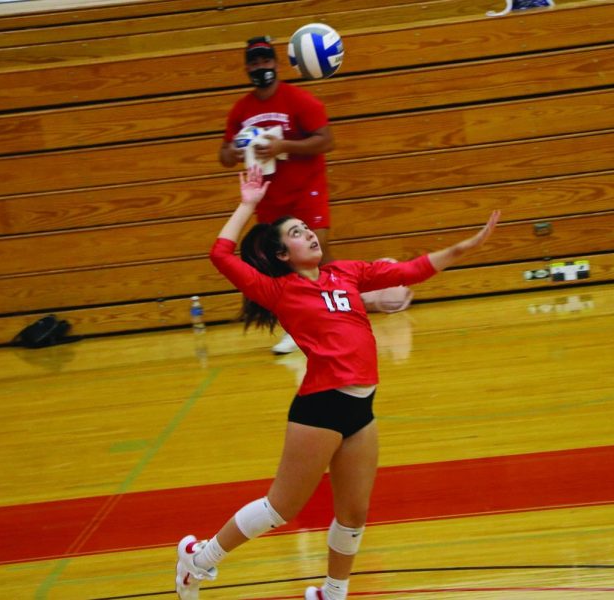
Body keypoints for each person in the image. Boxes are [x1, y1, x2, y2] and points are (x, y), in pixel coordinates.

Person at [175, 166, 500, 600]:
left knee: (353, 513)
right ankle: (199, 560)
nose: (309, 233)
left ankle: (333, 593)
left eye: (308, 228)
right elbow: (220, 255)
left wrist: (464, 247)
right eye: (296, 232)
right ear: (283, 255)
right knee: (280, 509)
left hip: (360, 409)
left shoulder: (346, 273)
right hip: (321, 407)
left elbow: (411, 270)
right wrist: (248, 204)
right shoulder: (278, 291)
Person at [219, 35, 412, 354]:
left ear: (276, 64)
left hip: (306, 187)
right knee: (280, 263)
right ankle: (299, 326)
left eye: (265, 60)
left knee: (317, 249)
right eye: (253, 62)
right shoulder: (241, 110)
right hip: (269, 195)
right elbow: (224, 156)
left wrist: (284, 146)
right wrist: (237, 151)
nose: (260, 66)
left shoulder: (299, 101)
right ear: (246, 68)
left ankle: (347, 306)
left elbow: (326, 141)